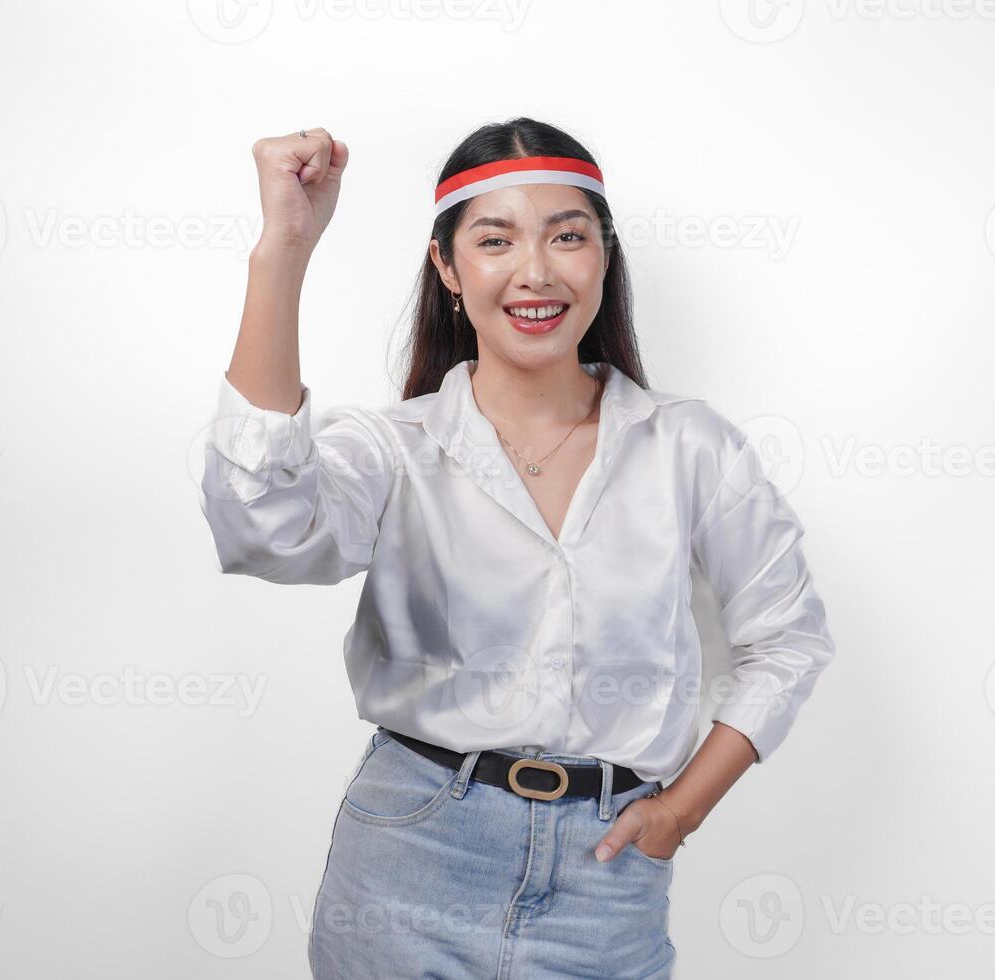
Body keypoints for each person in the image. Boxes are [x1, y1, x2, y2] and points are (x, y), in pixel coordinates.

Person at [197, 116, 836, 979]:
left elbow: (788, 638)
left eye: (566, 237)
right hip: (410, 860)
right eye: (495, 240)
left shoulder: (691, 448)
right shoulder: (396, 450)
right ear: (448, 269)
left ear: (603, 259)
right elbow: (259, 525)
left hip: (606, 879)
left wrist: (680, 813)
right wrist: (283, 250)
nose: (536, 273)